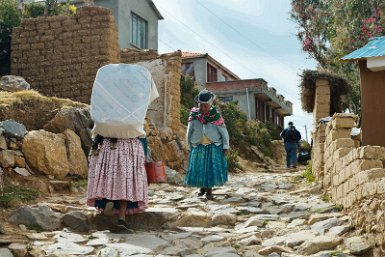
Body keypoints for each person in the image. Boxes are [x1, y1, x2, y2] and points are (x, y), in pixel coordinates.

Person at [86, 64, 158, 231]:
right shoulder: (134, 99)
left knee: (108, 177)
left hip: (106, 143)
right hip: (128, 144)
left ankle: (107, 206)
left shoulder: (109, 97)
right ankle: (121, 216)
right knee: (126, 181)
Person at [184, 89, 229, 200]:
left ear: (210, 104)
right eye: (201, 105)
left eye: (206, 105)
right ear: (198, 104)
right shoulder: (194, 116)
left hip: (213, 147)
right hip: (198, 146)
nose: (203, 108)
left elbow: (224, 133)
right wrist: (188, 145)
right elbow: (189, 131)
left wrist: (226, 146)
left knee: (210, 169)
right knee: (199, 168)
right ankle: (202, 188)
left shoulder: (216, 116)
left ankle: (209, 191)